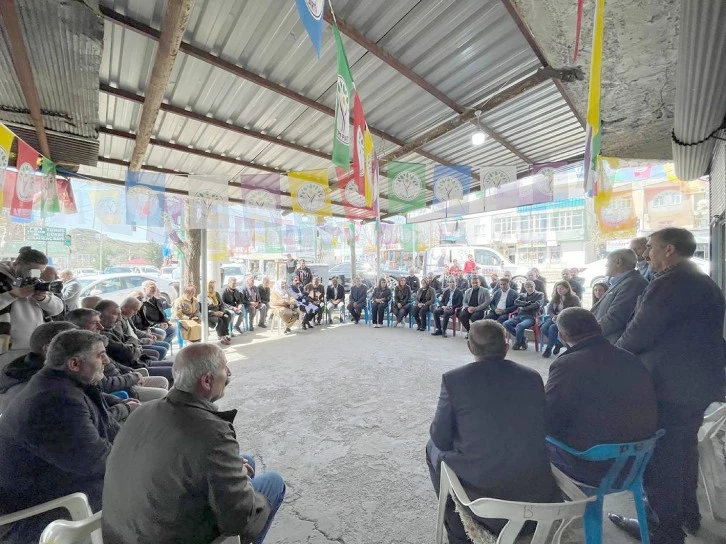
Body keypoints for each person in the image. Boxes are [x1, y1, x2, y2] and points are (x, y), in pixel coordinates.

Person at [102, 343, 285, 544]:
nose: (228, 374)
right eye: (225, 368)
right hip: (168, 535)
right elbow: (239, 519)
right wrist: (243, 479)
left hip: (122, 534)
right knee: (273, 482)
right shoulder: (212, 431)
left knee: (245, 461)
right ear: (207, 380)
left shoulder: (143, 411)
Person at [610, 228, 726, 544]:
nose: (646, 253)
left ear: (669, 249)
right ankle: (687, 515)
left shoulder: (669, 283)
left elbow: (639, 332)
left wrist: (610, 357)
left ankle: (663, 529)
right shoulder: (703, 281)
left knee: (662, 459)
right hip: (696, 386)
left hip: (671, 388)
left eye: (651, 247)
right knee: (684, 451)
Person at [427, 320, 558, 543]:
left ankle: (457, 527)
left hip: (486, 500)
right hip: (537, 491)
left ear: (469, 347)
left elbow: (440, 437)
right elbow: (543, 425)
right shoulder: (532, 376)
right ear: (506, 347)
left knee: (432, 448)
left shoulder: (454, 380)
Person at [0, 329, 119, 544]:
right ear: (74, 364)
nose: (107, 361)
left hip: (56, 481)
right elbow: (96, 461)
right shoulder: (55, 400)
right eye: (100, 355)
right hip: (36, 509)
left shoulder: (63, 385)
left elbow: (108, 430)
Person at [545, 308, 658, 486]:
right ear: (598, 328)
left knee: (529, 439)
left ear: (562, 336)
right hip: (637, 461)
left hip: (594, 465)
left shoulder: (568, 365)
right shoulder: (630, 358)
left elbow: (549, 417)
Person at [67, 308, 168, 402]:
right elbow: (105, 384)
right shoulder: (84, 351)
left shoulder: (96, 341)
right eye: (94, 323)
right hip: (122, 388)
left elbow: (115, 363)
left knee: (162, 380)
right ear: (79, 326)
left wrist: (130, 372)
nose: (101, 327)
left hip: (124, 378)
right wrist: (132, 378)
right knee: (162, 393)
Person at [0, 246, 64, 368]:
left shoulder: (35, 281)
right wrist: (12, 295)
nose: (34, 275)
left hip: (37, 347)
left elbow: (58, 309)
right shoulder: (2, 279)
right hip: (7, 350)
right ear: (16, 264)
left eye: (40, 271)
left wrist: (43, 299)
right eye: (31, 270)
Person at [0, 321, 76, 413]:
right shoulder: (35, 390)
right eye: (76, 344)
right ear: (48, 349)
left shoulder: (24, 372)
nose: (85, 348)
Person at [97, 300, 174, 383]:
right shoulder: (104, 336)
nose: (120, 318)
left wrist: (135, 345)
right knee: (174, 371)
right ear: (101, 316)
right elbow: (129, 353)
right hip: (134, 367)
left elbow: (131, 338)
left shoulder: (111, 330)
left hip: (138, 362)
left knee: (176, 365)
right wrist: (136, 347)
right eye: (116, 314)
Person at [590, 248, 648, 344]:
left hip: (612, 344)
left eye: (607, 261)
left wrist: (586, 334)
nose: (606, 265)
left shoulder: (632, 284)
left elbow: (615, 318)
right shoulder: (623, 282)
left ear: (618, 262)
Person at [541, 280, 581, 358]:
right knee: (544, 328)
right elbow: (550, 310)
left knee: (552, 328)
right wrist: (553, 316)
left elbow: (577, 310)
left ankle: (548, 349)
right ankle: (558, 343)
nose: (559, 290)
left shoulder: (574, 298)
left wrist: (561, 316)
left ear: (567, 289)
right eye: (558, 288)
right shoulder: (555, 297)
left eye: (561, 288)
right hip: (554, 318)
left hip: (566, 320)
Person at [504, 280, 544, 351]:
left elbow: (537, 304)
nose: (530, 288)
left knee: (520, 326)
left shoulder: (540, 294)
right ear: (525, 288)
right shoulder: (522, 295)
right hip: (519, 316)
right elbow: (516, 302)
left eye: (531, 286)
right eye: (528, 287)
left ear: (534, 286)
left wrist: (523, 307)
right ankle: (523, 339)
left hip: (531, 317)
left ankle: (518, 343)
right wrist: (526, 303)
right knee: (506, 323)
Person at [207, 280, 232, 345]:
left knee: (227, 316)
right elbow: (203, 310)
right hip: (210, 314)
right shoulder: (202, 296)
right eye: (211, 287)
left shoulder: (216, 294)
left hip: (219, 311)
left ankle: (224, 335)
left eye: (213, 287)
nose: (213, 289)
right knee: (220, 320)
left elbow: (222, 304)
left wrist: (221, 312)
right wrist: (214, 313)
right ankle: (222, 337)